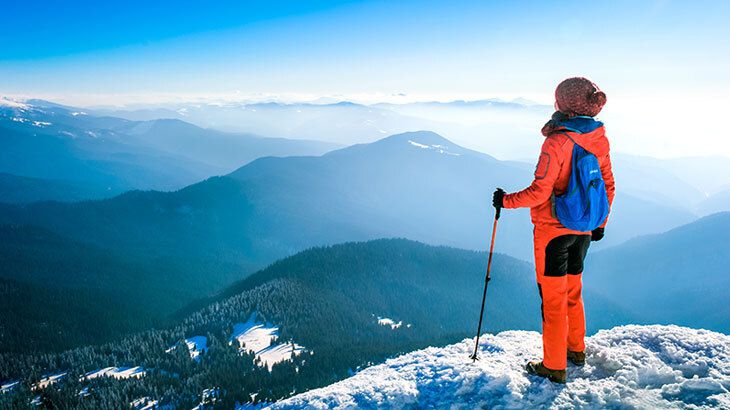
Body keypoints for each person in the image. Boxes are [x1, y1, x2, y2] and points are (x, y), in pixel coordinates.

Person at [492, 77, 615, 383]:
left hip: (553, 233)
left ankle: (554, 366)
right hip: (584, 230)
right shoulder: (599, 137)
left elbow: (538, 192)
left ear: (564, 104)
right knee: (574, 291)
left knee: (553, 300)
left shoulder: (556, 142)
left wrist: (504, 201)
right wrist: (600, 223)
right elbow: (608, 184)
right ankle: (576, 350)